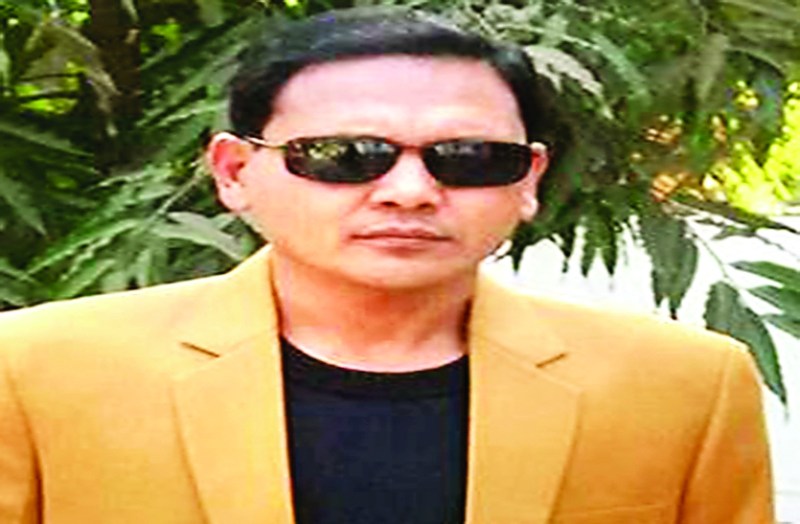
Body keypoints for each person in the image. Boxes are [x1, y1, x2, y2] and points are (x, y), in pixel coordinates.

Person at [0, 8, 773, 524]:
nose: (410, 191)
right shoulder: (37, 372)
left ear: (529, 179)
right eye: (345, 155)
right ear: (234, 171)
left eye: (469, 157)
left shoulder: (684, 387)